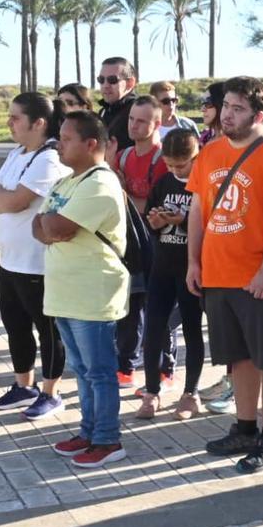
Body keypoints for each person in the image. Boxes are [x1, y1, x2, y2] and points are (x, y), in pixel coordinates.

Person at [189, 76, 263, 475]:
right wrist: (194, 262)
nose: (227, 115)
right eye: (225, 107)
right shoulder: (210, 153)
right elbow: (199, 210)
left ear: (258, 114)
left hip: (261, 278)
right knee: (238, 361)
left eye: (237, 108)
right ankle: (246, 427)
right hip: (219, 275)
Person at [37, 111, 129, 469]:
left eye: (67, 138)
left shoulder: (100, 183)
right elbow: (39, 225)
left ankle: (107, 439)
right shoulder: (67, 182)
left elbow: (56, 225)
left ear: (91, 144)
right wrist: (50, 226)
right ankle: (88, 432)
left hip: (93, 291)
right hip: (65, 291)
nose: (59, 144)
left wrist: (50, 226)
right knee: (80, 368)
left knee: (99, 371)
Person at [0, 94, 71, 419]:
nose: (9, 123)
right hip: (9, 260)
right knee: (15, 327)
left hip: (38, 263)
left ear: (39, 123)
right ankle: (24, 386)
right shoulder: (18, 152)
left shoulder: (48, 159)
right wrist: (3, 198)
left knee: (47, 330)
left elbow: (13, 202)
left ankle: (51, 391)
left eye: (16, 118)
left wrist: (3, 198)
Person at [136, 129, 206, 421]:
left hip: (192, 269)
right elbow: (149, 220)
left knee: (192, 330)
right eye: (170, 164)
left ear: (196, 156)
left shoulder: (204, 184)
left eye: (182, 164)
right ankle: (152, 392)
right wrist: (155, 221)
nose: (176, 170)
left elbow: (211, 224)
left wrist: (184, 221)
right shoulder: (163, 182)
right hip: (162, 266)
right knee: (153, 330)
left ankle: (190, 393)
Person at [113, 95, 171, 390]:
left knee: (157, 305)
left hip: (158, 244)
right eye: (131, 119)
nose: (134, 126)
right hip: (130, 241)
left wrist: (126, 194)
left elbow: (155, 208)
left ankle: (165, 369)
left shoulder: (163, 160)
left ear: (158, 125)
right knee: (131, 303)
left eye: (142, 121)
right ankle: (126, 366)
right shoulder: (122, 155)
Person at [97, 57, 139, 157]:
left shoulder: (138, 109)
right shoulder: (103, 111)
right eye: (101, 80)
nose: (105, 85)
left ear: (130, 83)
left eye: (112, 80)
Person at [197, 82, 225, 147]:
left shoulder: (236, 142)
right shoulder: (205, 138)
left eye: (208, 103)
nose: (202, 109)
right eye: (202, 102)